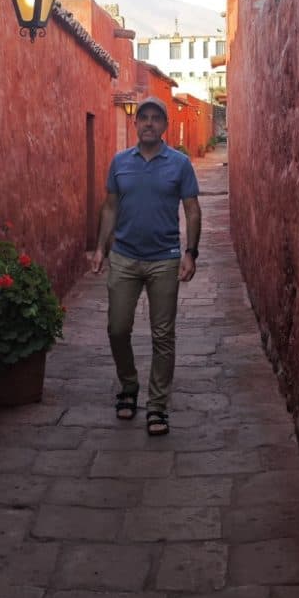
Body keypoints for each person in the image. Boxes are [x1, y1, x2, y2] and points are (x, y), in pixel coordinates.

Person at [90, 97, 201, 436]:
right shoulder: (120, 162)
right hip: (124, 256)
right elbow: (109, 208)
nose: (150, 123)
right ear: (136, 124)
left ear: (164, 126)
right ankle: (128, 385)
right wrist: (99, 248)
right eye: (144, 118)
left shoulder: (180, 164)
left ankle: (157, 406)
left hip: (165, 258)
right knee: (117, 329)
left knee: (163, 335)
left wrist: (190, 252)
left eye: (156, 118)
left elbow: (192, 210)